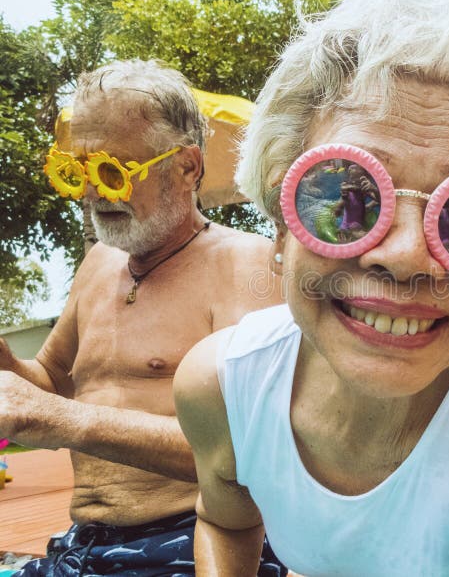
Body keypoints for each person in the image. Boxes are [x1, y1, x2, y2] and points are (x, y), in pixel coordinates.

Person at [174, 0, 449, 576]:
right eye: (344, 198)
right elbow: (223, 520)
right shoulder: (223, 384)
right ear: (279, 229)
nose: (403, 256)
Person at [0, 59, 285, 576]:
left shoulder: (245, 265)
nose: (92, 193)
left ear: (188, 167)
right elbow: (49, 384)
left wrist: (62, 420)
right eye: (77, 173)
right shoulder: (98, 264)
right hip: (81, 545)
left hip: (190, 542)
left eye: (112, 172)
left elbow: (250, 450)